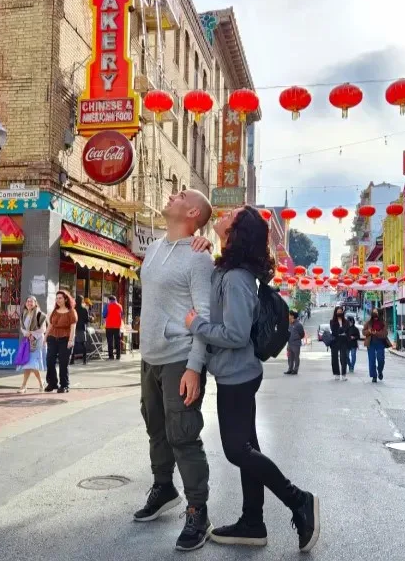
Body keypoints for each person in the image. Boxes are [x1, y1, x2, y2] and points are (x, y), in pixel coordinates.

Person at [185, 205, 320, 553]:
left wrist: (194, 325)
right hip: (234, 373)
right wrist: (203, 248)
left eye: (231, 215)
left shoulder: (237, 279)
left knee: (236, 451)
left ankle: (299, 501)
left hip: (238, 376)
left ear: (237, 232)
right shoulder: (228, 271)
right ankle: (252, 521)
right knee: (249, 448)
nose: (224, 213)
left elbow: (234, 333)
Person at [135, 189, 215, 552]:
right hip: (149, 356)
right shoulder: (153, 248)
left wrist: (195, 367)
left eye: (181, 194)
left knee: (182, 433)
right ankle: (163, 487)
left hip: (180, 357)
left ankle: (198, 510)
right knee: (155, 427)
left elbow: (205, 316)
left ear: (193, 212)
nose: (170, 195)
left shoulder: (198, 259)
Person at [45, 290, 77, 393]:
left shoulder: (71, 311)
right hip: (52, 338)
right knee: (49, 360)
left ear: (66, 299)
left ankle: (64, 385)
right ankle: (52, 383)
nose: (58, 300)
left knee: (63, 363)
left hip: (65, 338)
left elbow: (73, 327)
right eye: (57, 298)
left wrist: (71, 340)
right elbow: (50, 325)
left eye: (60, 298)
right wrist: (45, 337)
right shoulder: (54, 311)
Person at [16, 296, 46, 393]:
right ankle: (36, 384)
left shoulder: (40, 315)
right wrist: (26, 333)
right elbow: (22, 327)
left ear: (35, 303)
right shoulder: (23, 314)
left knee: (31, 364)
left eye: (31, 301)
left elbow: (43, 329)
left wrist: (32, 334)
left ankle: (25, 386)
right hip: (27, 340)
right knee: (28, 364)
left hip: (37, 341)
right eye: (28, 301)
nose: (29, 303)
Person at [363, 310, 389, 383]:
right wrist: (369, 331)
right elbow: (363, 332)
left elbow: (385, 333)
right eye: (374, 312)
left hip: (380, 343)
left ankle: (380, 370)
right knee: (372, 360)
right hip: (371, 343)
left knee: (381, 359)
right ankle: (374, 376)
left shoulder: (383, 322)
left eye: (376, 312)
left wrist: (376, 333)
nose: (375, 313)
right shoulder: (369, 322)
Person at [328, 306, 348, 381]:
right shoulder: (332, 321)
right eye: (338, 312)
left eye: (341, 312)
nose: (339, 313)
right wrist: (340, 329)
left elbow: (346, 330)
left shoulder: (346, 321)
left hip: (343, 341)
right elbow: (334, 331)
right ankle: (336, 373)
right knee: (334, 358)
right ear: (335, 313)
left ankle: (343, 374)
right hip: (335, 341)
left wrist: (341, 329)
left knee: (344, 358)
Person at [284, 310, 305, 375]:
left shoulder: (298, 324)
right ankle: (290, 369)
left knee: (296, 357)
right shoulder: (289, 324)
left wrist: (296, 338)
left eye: (289, 315)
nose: (288, 316)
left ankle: (295, 370)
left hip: (296, 344)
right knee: (290, 357)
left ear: (292, 316)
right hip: (289, 343)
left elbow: (302, 334)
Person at [104, 295, 124, 360]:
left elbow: (104, 315)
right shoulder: (120, 306)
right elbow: (121, 316)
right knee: (117, 341)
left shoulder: (107, 306)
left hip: (109, 326)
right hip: (117, 327)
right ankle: (118, 356)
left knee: (110, 342)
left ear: (109, 300)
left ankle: (111, 356)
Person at [74, 298, 90, 365]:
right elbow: (87, 320)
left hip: (74, 328)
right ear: (82, 301)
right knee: (83, 344)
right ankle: (84, 360)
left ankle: (72, 360)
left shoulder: (73, 309)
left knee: (73, 344)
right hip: (82, 328)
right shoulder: (84, 309)